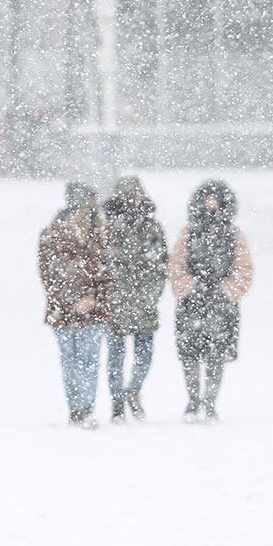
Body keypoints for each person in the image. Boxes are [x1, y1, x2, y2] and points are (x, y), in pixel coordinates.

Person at [169, 179, 253, 421]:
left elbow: (244, 268)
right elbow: (176, 265)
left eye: (215, 199)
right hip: (191, 305)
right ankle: (193, 400)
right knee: (190, 355)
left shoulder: (234, 235)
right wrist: (190, 286)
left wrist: (225, 290)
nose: (211, 204)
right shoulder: (188, 233)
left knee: (216, 355)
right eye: (207, 199)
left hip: (221, 306)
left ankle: (210, 402)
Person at [38, 182, 111, 428]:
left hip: (89, 310)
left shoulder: (100, 233)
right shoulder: (53, 235)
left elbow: (106, 271)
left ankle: (84, 407)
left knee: (83, 360)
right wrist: (74, 299)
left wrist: (93, 297)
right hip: (66, 310)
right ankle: (77, 408)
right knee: (72, 360)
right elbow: (50, 275)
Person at [102, 177, 167, 421]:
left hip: (144, 303)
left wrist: (150, 296)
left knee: (144, 356)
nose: (130, 201)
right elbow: (102, 267)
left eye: (134, 196)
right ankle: (117, 403)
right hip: (116, 304)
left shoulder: (152, 228)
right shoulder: (107, 228)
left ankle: (133, 391)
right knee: (115, 357)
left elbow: (161, 266)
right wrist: (110, 296)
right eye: (126, 196)